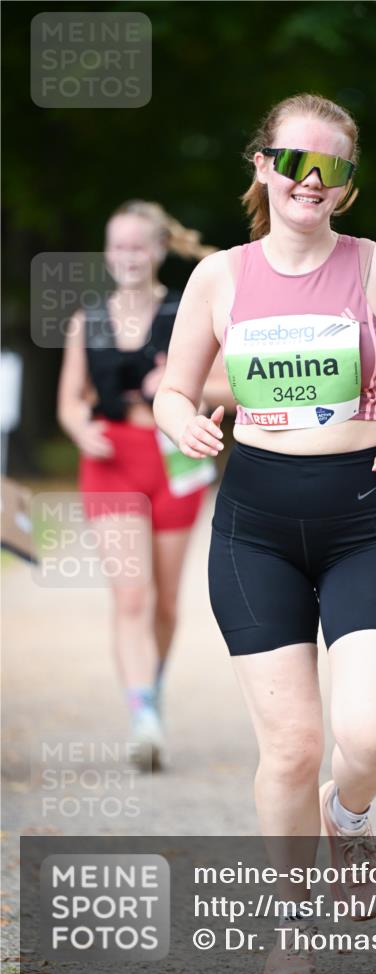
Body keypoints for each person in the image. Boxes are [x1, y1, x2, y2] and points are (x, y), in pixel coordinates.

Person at [153, 93, 376, 974]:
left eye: (332, 169)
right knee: (289, 744)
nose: (311, 182)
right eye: (294, 162)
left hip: (363, 518)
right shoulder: (220, 277)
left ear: (348, 186)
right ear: (262, 166)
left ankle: (351, 816)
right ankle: (289, 929)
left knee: (371, 738)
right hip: (254, 527)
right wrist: (182, 424)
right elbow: (174, 391)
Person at [57, 200, 227, 770]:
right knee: (133, 594)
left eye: (138, 245)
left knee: (166, 602)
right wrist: (81, 429)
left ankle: (151, 687)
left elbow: (227, 384)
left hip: (173, 456)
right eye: (118, 246)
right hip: (111, 461)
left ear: (158, 250)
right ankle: (142, 714)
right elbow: (70, 402)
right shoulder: (89, 318)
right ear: (108, 253)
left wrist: (182, 383)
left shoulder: (186, 313)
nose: (128, 256)